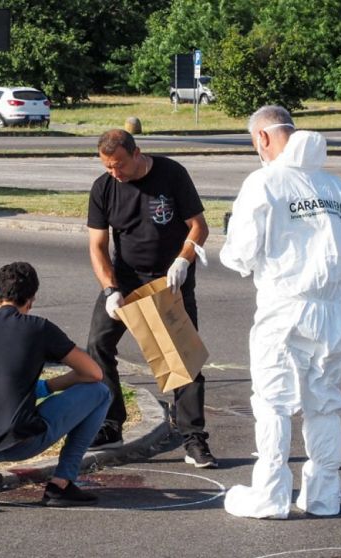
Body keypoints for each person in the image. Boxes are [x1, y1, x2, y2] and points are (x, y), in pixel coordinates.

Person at [218, 106, 341, 519]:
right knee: (324, 404)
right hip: (332, 311)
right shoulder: (337, 188)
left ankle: (271, 494)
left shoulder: (265, 182)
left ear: (261, 137)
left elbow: (241, 254)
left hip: (284, 306)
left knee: (273, 402)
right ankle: (323, 496)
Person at [85, 128, 219, 469]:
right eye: (107, 166)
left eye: (119, 165)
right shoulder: (104, 187)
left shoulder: (171, 174)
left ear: (137, 153)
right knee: (98, 344)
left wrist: (183, 261)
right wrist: (110, 289)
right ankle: (111, 422)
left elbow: (199, 226)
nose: (115, 173)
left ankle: (193, 437)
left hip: (169, 279)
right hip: (125, 278)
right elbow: (98, 246)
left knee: (182, 358)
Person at [0, 261, 111, 507]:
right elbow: (94, 373)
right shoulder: (39, 328)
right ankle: (61, 483)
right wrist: (46, 388)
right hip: (23, 441)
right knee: (100, 393)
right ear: (31, 301)